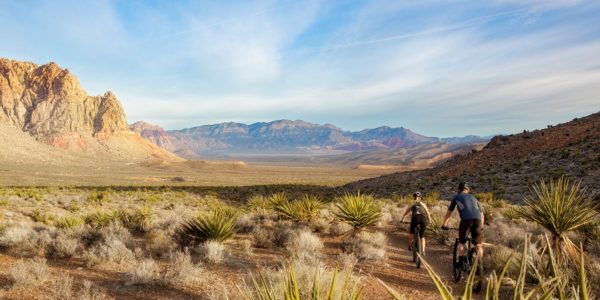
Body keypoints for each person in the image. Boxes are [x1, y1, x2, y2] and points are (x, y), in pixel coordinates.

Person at [442, 182, 484, 266]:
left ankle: (460, 263)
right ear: (467, 190)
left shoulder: (456, 197)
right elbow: (482, 213)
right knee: (478, 245)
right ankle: (479, 264)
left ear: (458, 189)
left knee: (461, 242)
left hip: (466, 220)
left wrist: (444, 224)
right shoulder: (474, 198)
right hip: (478, 220)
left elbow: (449, 212)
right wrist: (481, 226)